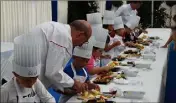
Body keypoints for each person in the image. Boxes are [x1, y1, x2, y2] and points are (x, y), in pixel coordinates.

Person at [24, 20, 92, 95]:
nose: (81, 45)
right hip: (22, 82)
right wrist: (74, 84)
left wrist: (63, 89)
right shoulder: (63, 37)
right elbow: (53, 73)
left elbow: (50, 70)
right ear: (80, 35)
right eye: (84, 41)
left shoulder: (58, 30)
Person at [1, 34, 55, 103]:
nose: (31, 83)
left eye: (35, 78)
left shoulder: (36, 83)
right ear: (16, 74)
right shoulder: (5, 91)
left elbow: (49, 98)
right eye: (27, 80)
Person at [59, 37, 100, 103]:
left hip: (79, 99)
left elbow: (87, 83)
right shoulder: (68, 70)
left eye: (87, 61)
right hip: (67, 100)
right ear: (74, 57)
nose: (84, 63)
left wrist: (92, 85)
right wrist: (73, 91)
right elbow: (60, 89)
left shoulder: (85, 71)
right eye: (82, 60)